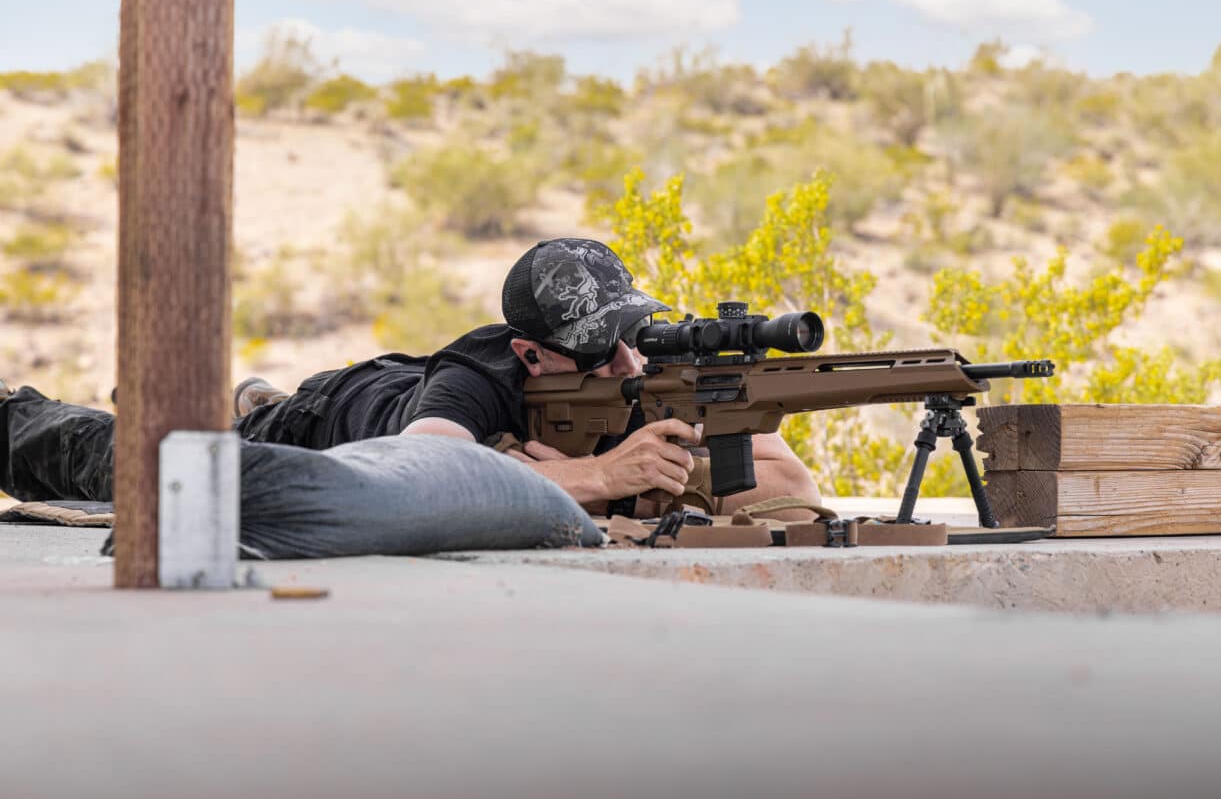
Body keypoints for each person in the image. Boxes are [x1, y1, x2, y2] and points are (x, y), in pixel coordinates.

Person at [1, 238, 819, 518]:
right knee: (132, 457)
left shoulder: (640, 365)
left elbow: (791, 489)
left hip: (389, 382)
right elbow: (423, 471)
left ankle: (253, 392)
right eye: (599, 353)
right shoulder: (479, 373)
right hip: (336, 419)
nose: (627, 365)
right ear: (531, 355)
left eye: (633, 339)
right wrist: (603, 475)